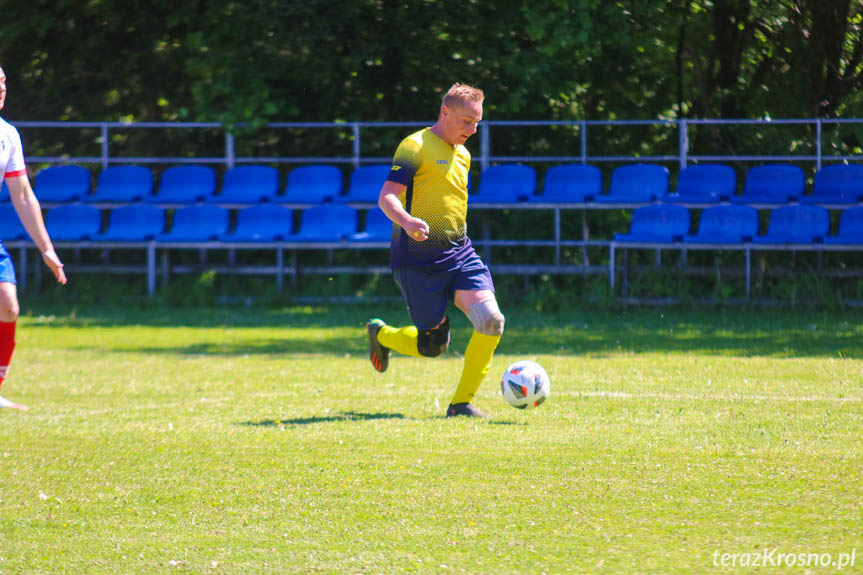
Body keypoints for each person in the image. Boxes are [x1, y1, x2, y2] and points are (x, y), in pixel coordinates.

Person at [367, 83, 504, 418]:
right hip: (417, 260)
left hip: (460, 255)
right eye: (467, 121)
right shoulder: (414, 146)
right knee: (433, 346)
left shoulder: (465, 154)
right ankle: (382, 335)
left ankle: (461, 404)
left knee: (491, 321)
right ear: (445, 112)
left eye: (477, 123)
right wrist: (407, 220)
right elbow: (387, 195)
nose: (473, 130)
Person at [0, 65, 67, 411]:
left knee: (8, 306)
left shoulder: (8, 135)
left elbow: (23, 195)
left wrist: (47, 248)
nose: (1, 87)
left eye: (4, 81)